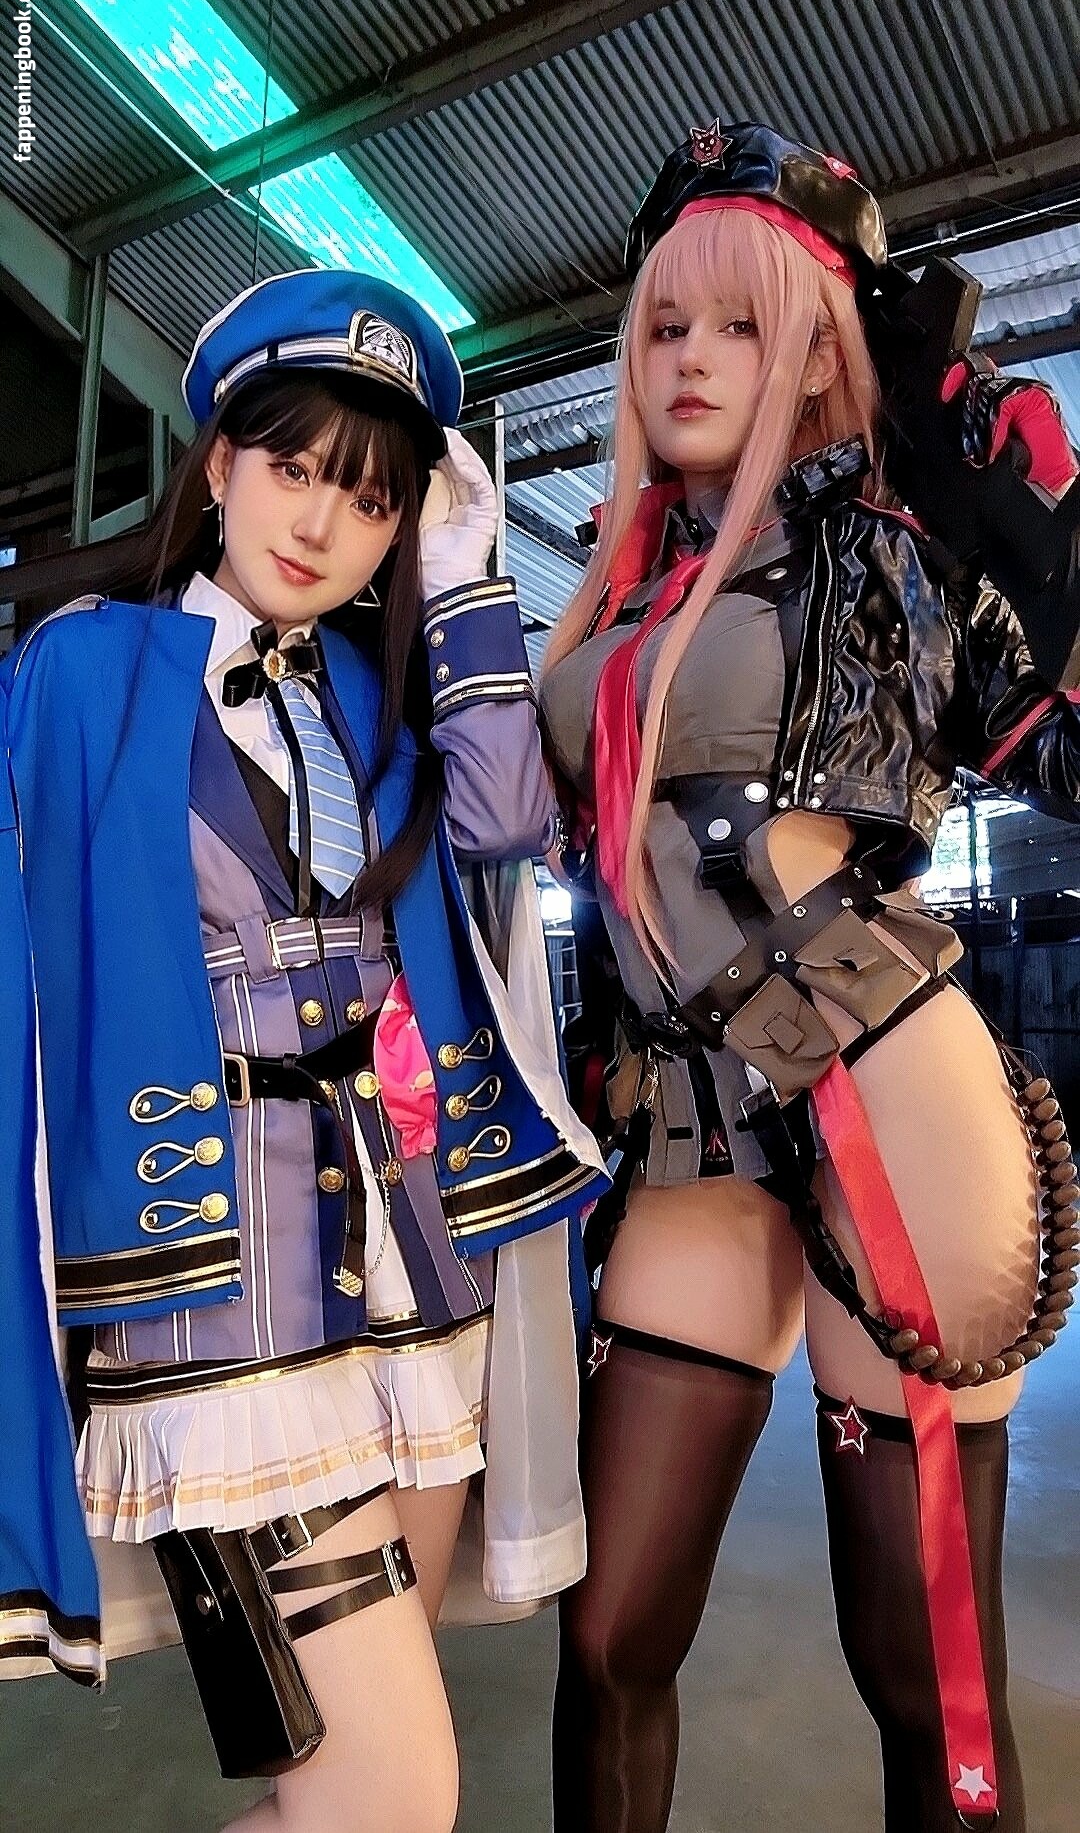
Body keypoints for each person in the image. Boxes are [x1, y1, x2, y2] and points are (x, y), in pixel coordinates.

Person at [0, 267, 606, 1833]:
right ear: (219, 461)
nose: (323, 523)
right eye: (293, 467)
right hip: (213, 1308)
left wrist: (465, 581)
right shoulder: (84, 667)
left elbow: (507, 823)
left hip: (413, 1282)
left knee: (344, 1797)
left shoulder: (372, 695)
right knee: (391, 1795)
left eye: (375, 500)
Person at [540, 123, 1080, 1832]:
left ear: (822, 346)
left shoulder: (897, 542)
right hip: (687, 1122)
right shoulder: (613, 582)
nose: (692, 357)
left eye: (744, 322)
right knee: (608, 1635)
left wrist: (1029, 522)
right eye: (665, 324)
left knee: (920, 1668)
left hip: (890, 1091)